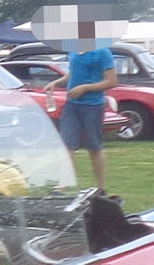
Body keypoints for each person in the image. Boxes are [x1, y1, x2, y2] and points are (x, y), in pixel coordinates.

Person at [49, 41, 118, 193]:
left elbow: (111, 81)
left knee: (94, 147)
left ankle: (101, 188)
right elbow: (73, 72)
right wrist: (58, 82)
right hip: (72, 105)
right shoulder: (73, 50)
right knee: (67, 145)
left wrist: (85, 88)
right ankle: (62, 186)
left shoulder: (102, 52)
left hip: (93, 106)